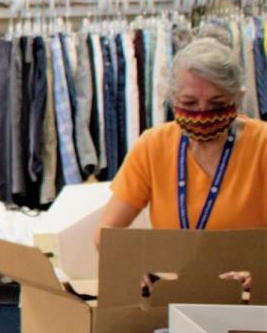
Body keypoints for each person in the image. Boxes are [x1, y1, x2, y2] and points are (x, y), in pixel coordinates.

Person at [97, 37, 267, 250]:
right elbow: (106, 234)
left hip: (250, 281)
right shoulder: (153, 145)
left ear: (237, 98)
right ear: (173, 98)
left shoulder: (262, 144)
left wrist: (258, 271)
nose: (203, 111)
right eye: (190, 102)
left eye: (217, 103)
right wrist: (134, 267)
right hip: (172, 281)